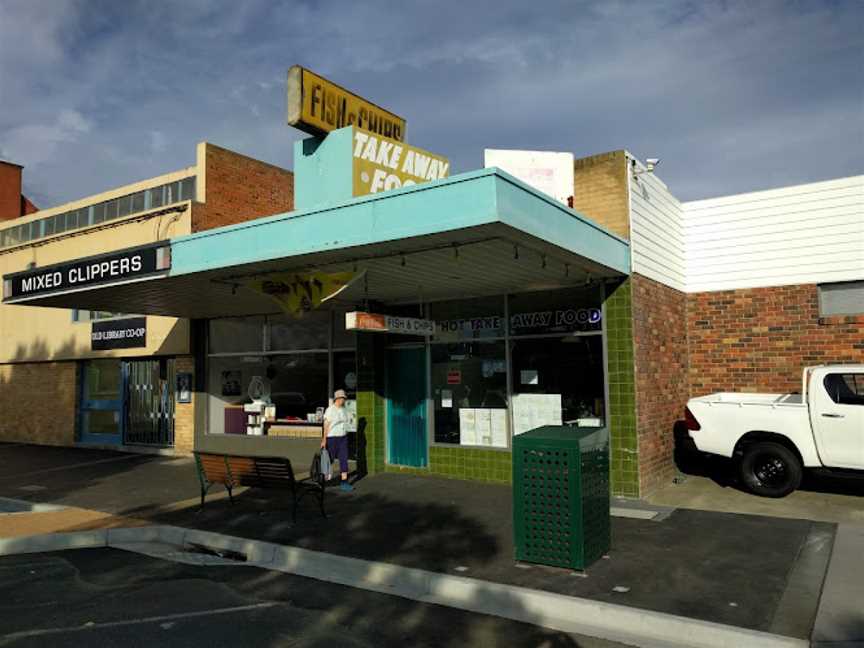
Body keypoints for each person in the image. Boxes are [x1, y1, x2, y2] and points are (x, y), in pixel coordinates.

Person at [321, 389, 352, 492]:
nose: (344, 400)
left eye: (344, 398)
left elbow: (346, 422)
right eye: (343, 398)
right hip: (332, 437)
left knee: (344, 459)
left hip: (343, 437)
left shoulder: (343, 409)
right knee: (330, 459)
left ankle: (344, 482)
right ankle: (323, 479)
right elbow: (326, 425)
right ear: (338, 398)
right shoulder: (330, 410)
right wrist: (324, 440)